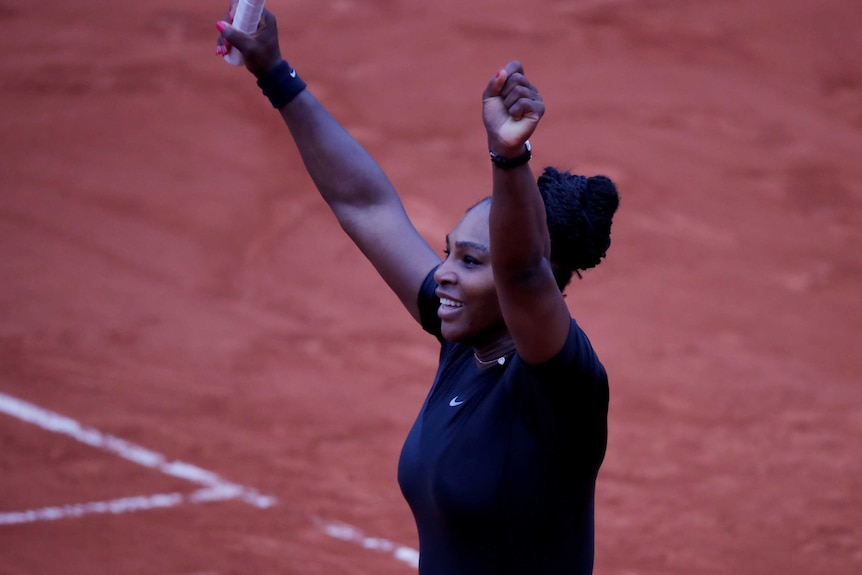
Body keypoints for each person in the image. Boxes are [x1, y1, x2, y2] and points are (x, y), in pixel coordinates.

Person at [217, 5, 619, 574]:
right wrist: (275, 74)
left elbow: (524, 272)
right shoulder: (467, 337)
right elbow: (365, 204)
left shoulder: (562, 386)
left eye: (473, 261)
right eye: (449, 250)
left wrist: (509, 157)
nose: (445, 273)